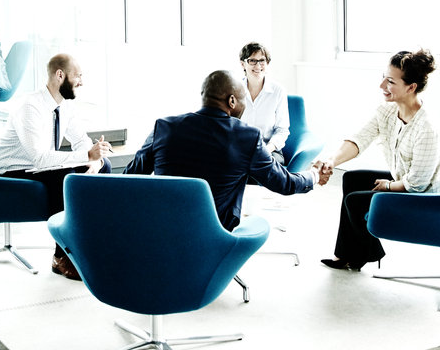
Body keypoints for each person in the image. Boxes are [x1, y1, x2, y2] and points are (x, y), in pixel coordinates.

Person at [125, 70, 329, 232]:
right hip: (215, 235)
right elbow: (284, 183)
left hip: (161, 229)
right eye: (243, 100)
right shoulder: (248, 137)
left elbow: (129, 178)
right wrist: (313, 175)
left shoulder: (164, 127)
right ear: (232, 101)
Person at [318, 48, 440, 271]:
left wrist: (388, 185)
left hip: (432, 197)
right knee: (352, 179)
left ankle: (369, 253)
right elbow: (360, 138)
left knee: (355, 202)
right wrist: (332, 161)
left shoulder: (427, 128)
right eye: (383, 77)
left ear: (411, 87)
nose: (382, 85)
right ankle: (347, 255)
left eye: (391, 81)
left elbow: (418, 184)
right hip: (411, 183)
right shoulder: (387, 111)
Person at [0, 53, 112, 280]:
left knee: (103, 167)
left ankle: (88, 246)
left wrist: (94, 161)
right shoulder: (30, 106)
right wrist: (86, 155)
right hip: (13, 169)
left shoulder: (65, 105)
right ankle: (62, 256)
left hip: (41, 166)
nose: (81, 82)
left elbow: (81, 140)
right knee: (64, 177)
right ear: (60, 75)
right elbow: (38, 158)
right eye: (78, 76)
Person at [237, 42, 290, 164]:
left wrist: (266, 149)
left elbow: (282, 130)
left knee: (259, 164)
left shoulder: (278, 91)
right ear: (243, 64)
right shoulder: (234, 89)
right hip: (240, 149)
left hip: (269, 149)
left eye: (262, 60)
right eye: (252, 61)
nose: (258, 65)